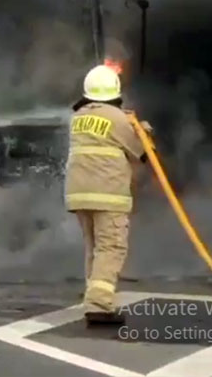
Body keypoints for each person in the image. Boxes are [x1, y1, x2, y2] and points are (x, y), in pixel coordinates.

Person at [65, 64, 150, 325]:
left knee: (94, 247)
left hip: (79, 194)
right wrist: (143, 131)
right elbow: (142, 152)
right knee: (111, 246)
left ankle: (93, 298)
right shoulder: (117, 118)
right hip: (108, 194)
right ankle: (100, 305)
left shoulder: (78, 117)